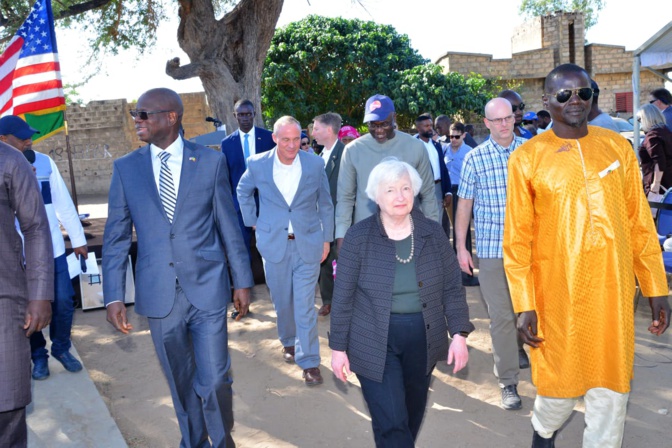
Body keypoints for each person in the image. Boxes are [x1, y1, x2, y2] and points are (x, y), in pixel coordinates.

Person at [504, 63, 670, 448]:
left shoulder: (616, 148)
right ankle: (543, 435)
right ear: (547, 100)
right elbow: (517, 240)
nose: (574, 101)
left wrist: (654, 286)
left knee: (611, 385)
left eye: (583, 92)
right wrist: (524, 303)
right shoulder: (527, 159)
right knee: (560, 387)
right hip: (557, 294)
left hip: (612, 292)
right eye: (564, 94)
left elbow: (639, 224)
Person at [103, 88, 254, 447]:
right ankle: (194, 442)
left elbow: (228, 225)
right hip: (158, 293)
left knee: (215, 378)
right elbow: (116, 237)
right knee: (180, 380)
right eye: (134, 115)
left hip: (207, 286)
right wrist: (113, 296)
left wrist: (242, 280)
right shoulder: (126, 168)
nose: (137, 120)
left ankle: (221, 440)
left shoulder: (210, 161)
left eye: (144, 114)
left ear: (171, 117)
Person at [330, 158, 473, 447]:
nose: (400, 196)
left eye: (406, 188)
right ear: (376, 197)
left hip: (423, 338)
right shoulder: (358, 238)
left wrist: (459, 334)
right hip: (372, 338)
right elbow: (342, 297)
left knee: (408, 417)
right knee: (393, 422)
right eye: (391, 190)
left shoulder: (432, 233)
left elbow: (452, 289)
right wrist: (337, 348)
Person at [237, 116, 333, 386]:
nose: (292, 146)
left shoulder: (314, 163)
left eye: (296, 139)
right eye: (286, 140)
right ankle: (288, 340)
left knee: (304, 305)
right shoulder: (257, 164)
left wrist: (326, 238)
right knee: (282, 301)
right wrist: (253, 221)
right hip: (273, 243)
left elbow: (325, 203)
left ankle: (310, 362)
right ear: (275, 138)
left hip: (308, 242)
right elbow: (243, 192)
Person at [0, 116, 88, 381]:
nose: (29, 141)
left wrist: (79, 239)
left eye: (30, 136)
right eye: (22, 137)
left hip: (53, 250)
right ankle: (38, 356)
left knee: (62, 301)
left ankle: (61, 347)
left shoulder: (45, 162)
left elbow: (62, 203)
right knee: (30, 308)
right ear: (3, 140)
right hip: (18, 256)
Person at [455, 97, 529, 411]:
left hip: (530, 251)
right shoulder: (475, 158)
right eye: (495, 120)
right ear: (485, 123)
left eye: (507, 118)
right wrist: (461, 247)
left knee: (532, 313)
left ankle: (547, 372)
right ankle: (508, 382)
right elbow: (464, 205)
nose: (502, 124)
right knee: (500, 317)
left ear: (515, 118)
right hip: (491, 251)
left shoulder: (531, 152)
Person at [335, 94, 439, 252]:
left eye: (384, 124)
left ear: (394, 118)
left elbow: (428, 194)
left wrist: (433, 234)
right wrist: (342, 237)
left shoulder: (415, 147)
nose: (379, 130)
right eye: (373, 125)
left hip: (409, 234)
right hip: (367, 237)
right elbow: (345, 199)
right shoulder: (352, 150)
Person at [0, 140, 53, 447]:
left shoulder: (10, 160)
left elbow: (35, 227)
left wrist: (40, 294)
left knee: (7, 406)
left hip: (5, 303)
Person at [220, 99, 275, 258]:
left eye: (248, 114)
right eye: (241, 115)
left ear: (254, 114)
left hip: (267, 202)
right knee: (242, 249)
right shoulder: (227, 143)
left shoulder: (268, 138)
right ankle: (245, 282)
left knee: (270, 247)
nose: (245, 118)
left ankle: (273, 281)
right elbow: (227, 176)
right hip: (239, 205)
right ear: (234, 116)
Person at [312, 112, 345, 317]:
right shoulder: (319, 156)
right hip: (321, 220)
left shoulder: (346, 153)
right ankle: (328, 300)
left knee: (342, 261)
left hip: (339, 218)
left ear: (329, 130)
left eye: (316, 128)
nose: (312, 132)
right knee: (323, 260)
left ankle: (344, 302)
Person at [444, 122, 478, 287]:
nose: (453, 139)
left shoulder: (469, 153)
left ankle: (467, 274)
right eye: (451, 136)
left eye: (457, 136)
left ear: (464, 135)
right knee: (447, 232)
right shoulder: (445, 150)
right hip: (447, 193)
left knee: (463, 233)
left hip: (463, 194)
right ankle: (452, 273)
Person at [414, 114, 452, 231]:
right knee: (421, 223)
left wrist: (448, 191)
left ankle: (435, 248)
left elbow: (443, 169)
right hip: (421, 189)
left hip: (438, 188)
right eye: (426, 126)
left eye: (431, 125)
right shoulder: (413, 145)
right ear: (418, 128)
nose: (430, 128)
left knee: (437, 223)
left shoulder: (436, 145)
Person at [637, 103, 672, 194]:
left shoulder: (652, 136)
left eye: (639, 119)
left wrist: (656, 184)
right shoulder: (666, 131)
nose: (639, 123)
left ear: (646, 118)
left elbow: (659, 161)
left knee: (654, 208)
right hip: (668, 181)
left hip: (657, 184)